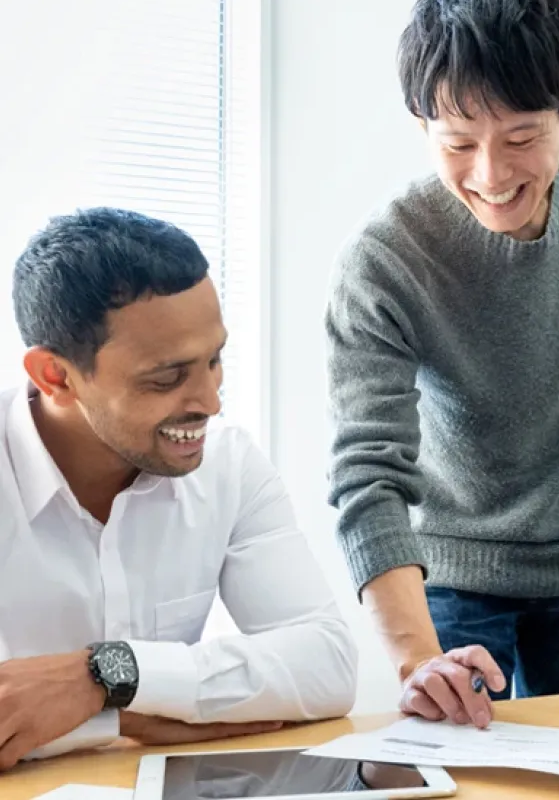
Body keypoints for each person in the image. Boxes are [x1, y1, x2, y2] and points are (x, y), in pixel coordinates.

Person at [326, 0, 559, 729]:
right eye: (458, 144)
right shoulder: (385, 260)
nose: (491, 177)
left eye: (523, 138)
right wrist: (415, 663)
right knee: (466, 773)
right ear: (421, 121)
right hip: (456, 567)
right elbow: (368, 479)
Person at [0, 208, 358, 770]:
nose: (211, 401)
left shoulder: (229, 464)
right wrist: (132, 716)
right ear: (56, 377)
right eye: (167, 378)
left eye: (214, 360)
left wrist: (107, 676)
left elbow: (326, 666)